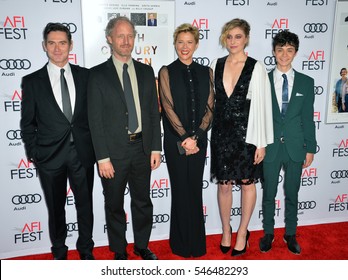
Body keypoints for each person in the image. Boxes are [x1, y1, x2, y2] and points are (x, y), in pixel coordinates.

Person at [87, 16, 161, 260]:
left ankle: (142, 245)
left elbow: (152, 112)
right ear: (110, 39)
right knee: (114, 205)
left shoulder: (146, 71)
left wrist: (155, 148)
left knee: (143, 202)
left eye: (130, 35)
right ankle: (120, 249)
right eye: (120, 36)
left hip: (142, 148)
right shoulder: (97, 75)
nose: (126, 41)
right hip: (113, 154)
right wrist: (102, 158)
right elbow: (94, 121)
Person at [20, 23, 95, 260]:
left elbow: (95, 115)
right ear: (44, 46)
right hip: (49, 157)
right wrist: (35, 153)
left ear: (71, 45)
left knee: (85, 206)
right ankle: (60, 252)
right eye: (51, 43)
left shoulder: (86, 76)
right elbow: (27, 123)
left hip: (82, 153)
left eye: (62, 42)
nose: (57, 48)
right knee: (56, 208)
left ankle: (86, 249)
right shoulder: (32, 81)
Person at [210, 18, 273, 257]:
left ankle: (242, 232)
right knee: (224, 185)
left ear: (246, 38)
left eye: (238, 36)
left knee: (248, 184)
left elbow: (263, 106)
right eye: (229, 36)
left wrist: (261, 142)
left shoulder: (256, 67)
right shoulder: (216, 63)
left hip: (247, 135)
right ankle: (226, 230)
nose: (233, 41)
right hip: (221, 135)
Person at [158, 23, 214, 257]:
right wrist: (185, 138)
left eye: (189, 42)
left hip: (199, 142)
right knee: (180, 190)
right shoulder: (166, 71)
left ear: (197, 44)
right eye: (180, 42)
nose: (184, 46)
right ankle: (180, 244)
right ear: (175, 44)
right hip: (175, 143)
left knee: (194, 190)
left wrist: (197, 137)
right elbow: (168, 108)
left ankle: (196, 244)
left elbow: (210, 108)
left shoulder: (206, 72)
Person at [260, 30, 317, 255]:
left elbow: (308, 118)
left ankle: (290, 233)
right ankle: (268, 233)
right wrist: (258, 144)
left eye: (289, 50)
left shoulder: (306, 82)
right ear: (274, 52)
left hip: (296, 147)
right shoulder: (262, 79)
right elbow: (257, 117)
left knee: (292, 192)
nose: (284, 55)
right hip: (270, 146)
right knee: (268, 193)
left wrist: (310, 148)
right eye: (280, 50)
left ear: (295, 53)